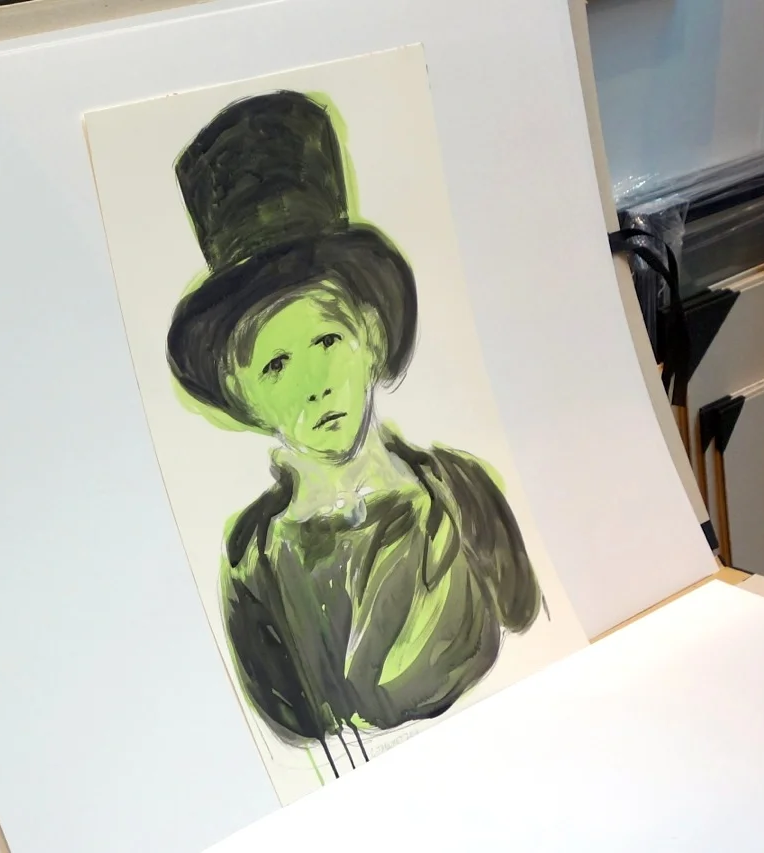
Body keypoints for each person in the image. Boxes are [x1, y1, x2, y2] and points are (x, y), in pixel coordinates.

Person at [166, 90, 542, 776]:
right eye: (276, 365)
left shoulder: (462, 492)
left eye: (327, 340)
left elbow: (536, 637)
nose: (313, 385)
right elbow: (295, 734)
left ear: (370, 336)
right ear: (243, 394)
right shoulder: (256, 564)